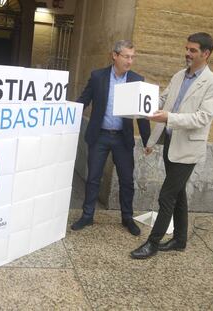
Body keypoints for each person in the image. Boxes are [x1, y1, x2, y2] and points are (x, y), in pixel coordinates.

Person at [131, 32, 213, 259]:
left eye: (193, 50)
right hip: (171, 143)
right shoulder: (178, 76)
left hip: (188, 149)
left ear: (206, 53)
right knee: (178, 193)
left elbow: (202, 117)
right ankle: (180, 240)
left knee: (166, 195)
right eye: (187, 49)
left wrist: (168, 118)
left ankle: (152, 243)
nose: (187, 54)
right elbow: (163, 100)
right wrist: (140, 101)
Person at [71, 40, 151, 235]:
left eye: (133, 57)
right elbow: (83, 100)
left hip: (122, 139)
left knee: (126, 180)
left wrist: (148, 140)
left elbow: (142, 114)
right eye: (126, 56)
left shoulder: (136, 79)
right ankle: (87, 216)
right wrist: (65, 114)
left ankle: (127, 218)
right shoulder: (98, 77)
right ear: (114, 55)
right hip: (100, 136)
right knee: (93, 178)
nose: (130, 61)